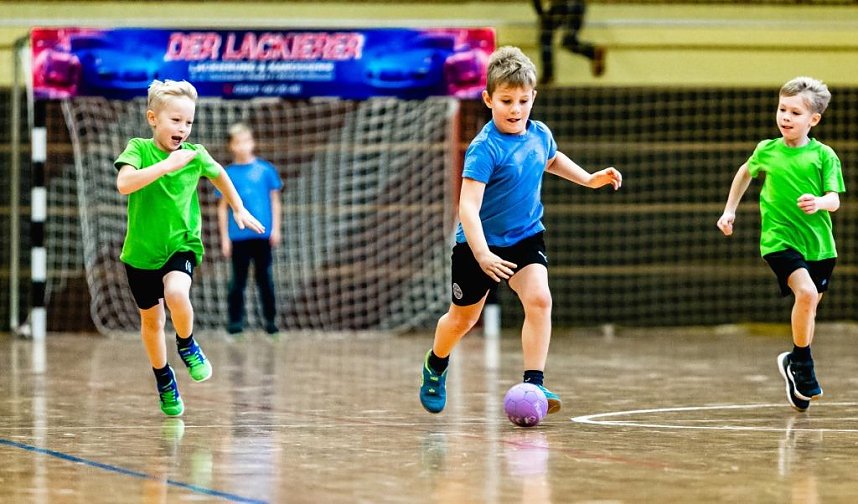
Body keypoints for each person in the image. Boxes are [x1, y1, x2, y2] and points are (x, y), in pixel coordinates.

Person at [419, 46, 622, 415]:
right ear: (488, 99)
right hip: (479, 244)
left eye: (523, 100)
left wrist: (589, 179)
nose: (515, 109)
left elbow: (551, 158)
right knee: (462, 319)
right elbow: (467, 206)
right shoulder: (484, 148)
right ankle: (436, 363)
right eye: (506, 100)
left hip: (526, 236)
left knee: (540, 300)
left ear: (533, 98)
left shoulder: (539, 133)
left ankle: (535, 384)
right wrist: (481, 254)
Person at [115, 79, 264, 417]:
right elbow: (124, 184)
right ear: (153, 119)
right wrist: (165, 166)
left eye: (188, 122)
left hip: (181, 244)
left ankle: (187, 342)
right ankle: (164, 379)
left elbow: (219, 174)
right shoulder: (138, 149)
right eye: (175, 120)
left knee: (177, 293)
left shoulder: (195, 154)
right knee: (152, 324)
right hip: (140, 254)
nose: (182, 128)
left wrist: (238, 207)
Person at [717, 76, 844, 413]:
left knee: (811, 306)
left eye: (795, 112)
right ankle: (803, 364)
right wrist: (730, 210)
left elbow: (834, 199)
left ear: (813, 119)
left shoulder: (823, 156)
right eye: (782, 109)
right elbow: (745, 172)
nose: (786, 117)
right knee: (806, 294)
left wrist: (819, 202)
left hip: (819, 246)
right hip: (778, 240)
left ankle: (795, 359)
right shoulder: (767, 150)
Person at [217, 122, 283, 336]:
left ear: (252, 143)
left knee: (265, 279)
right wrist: (225, 238)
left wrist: (276, 229)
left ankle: (270, 323)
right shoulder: (226, 174)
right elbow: (222, 208)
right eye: (238, 142)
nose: (243, 146)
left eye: (246, 141)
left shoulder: (265, 170)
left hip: (262, 235)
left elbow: (275, 200)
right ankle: (235, 324)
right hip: (238, 237)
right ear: (231, 146)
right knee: (238, 281)